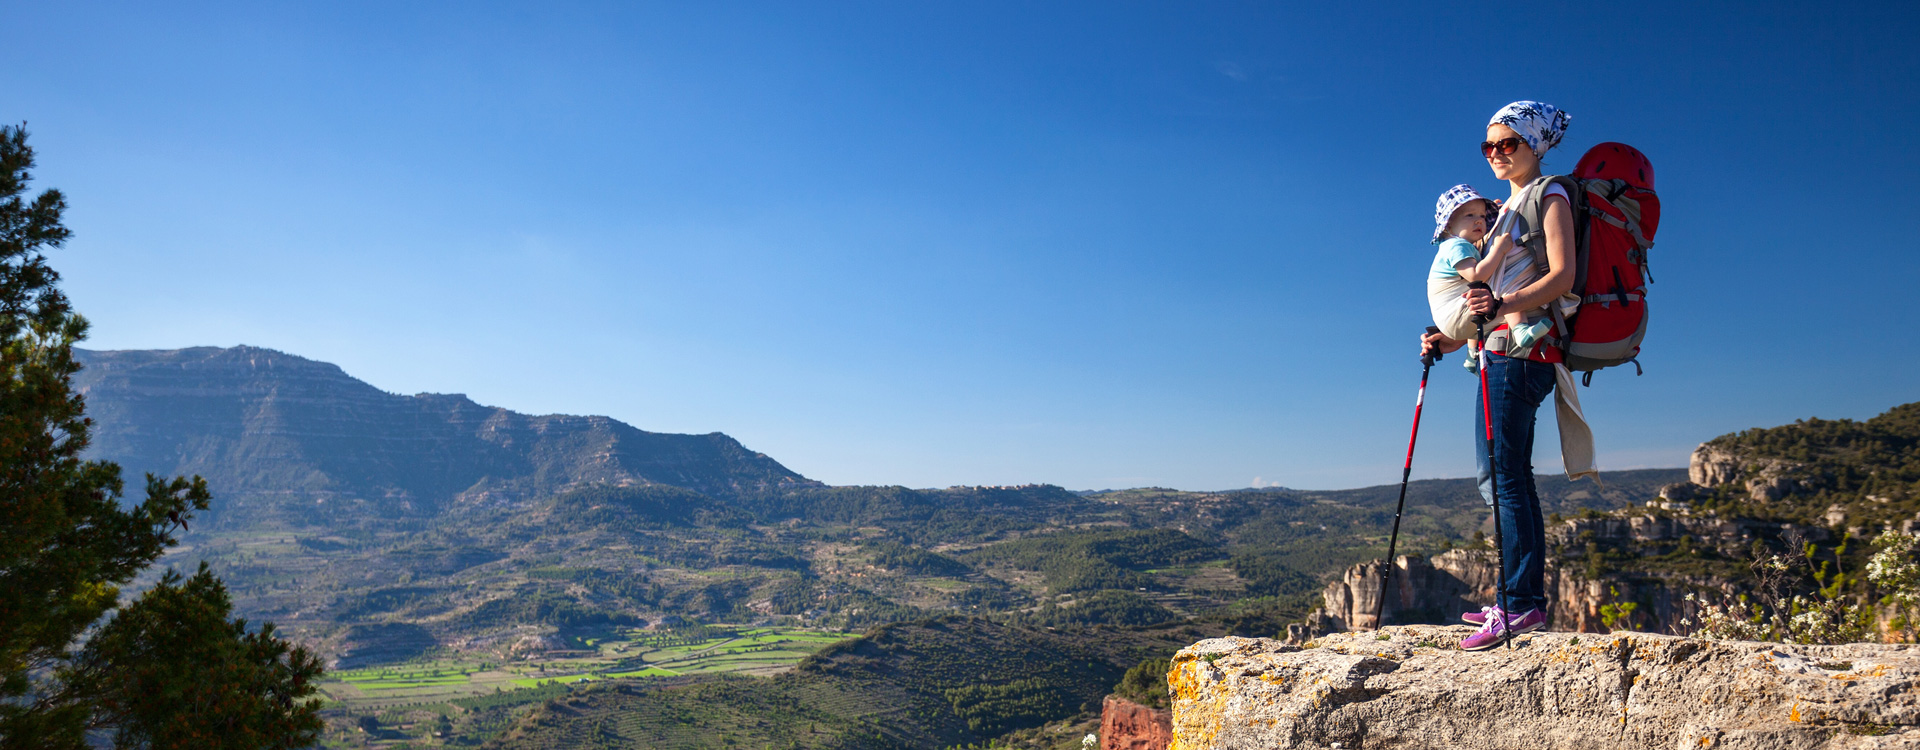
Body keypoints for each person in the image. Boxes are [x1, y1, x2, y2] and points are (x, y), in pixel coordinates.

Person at [1421, 100, 1577, 651]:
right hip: (1498, 351)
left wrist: (1501, 300)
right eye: (1488, 146)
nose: (1495, 154)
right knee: (1501, 478)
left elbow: (1562, 276)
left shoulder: (1548, 194)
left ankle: (1519, 606)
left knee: (1506, 477)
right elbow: (1487, 297)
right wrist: (1446, 338)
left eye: (1506, 144)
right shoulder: (1504, 210)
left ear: (1534, 144)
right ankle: (1520, 598)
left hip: (1521, 353)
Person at [1425, 184, 1497, 358]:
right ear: (1448, 223)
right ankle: (1521, 328)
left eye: (1482, 215)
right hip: (1454, 316)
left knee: (1477, 294)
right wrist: (1499, 250)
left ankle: (1472, 354)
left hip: (1450, 321)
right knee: (1500, 297)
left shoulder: (1456, 246)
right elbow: (1475, 275)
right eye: (1470, 215)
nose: (1479, 220)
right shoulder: (1457, 245)